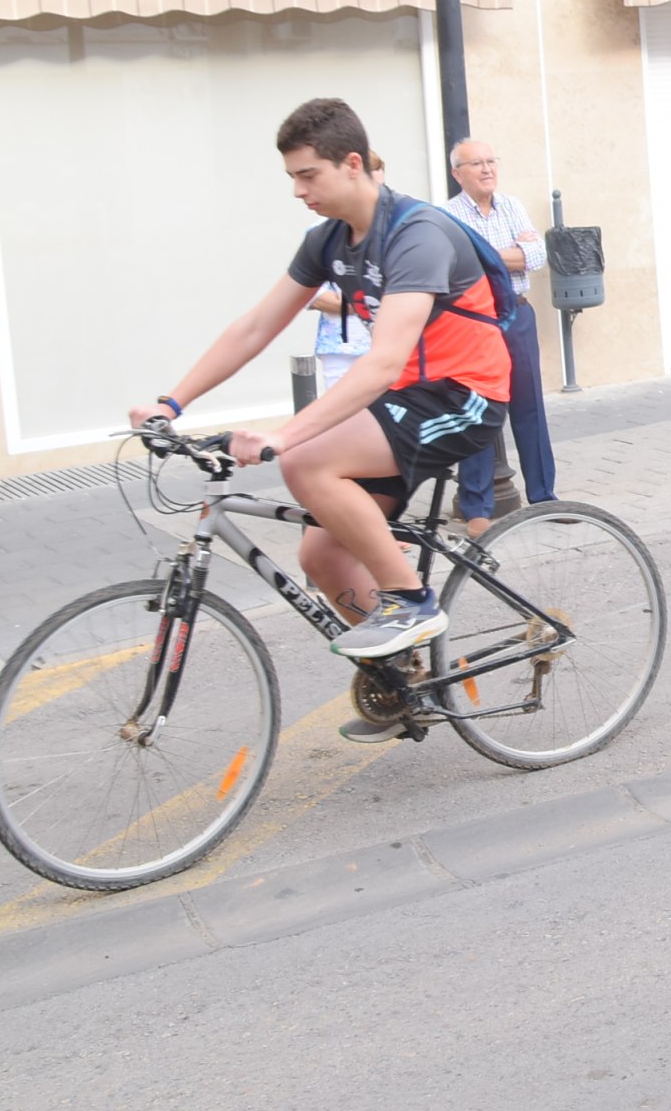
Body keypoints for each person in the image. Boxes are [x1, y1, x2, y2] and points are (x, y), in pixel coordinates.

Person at [128, 99, 510, 742]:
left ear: (352, 163)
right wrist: (173, 403)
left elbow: (384, 361)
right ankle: (404, 681)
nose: (299, 191)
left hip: (462, 396)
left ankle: (410, 599)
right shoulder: (330, 242)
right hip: (403, 402)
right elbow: (255, 327)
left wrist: (285, 436)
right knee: (322, 554)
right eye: (293, 179)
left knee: (307, 461)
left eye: (307, 176)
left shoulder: (416, 234)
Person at [445, 138, 554, 537]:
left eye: (491, 161)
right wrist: (510, 253)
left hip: (518, 312)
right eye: (477, 164)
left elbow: (538, 255)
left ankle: (543, 494)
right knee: (478, 408)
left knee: (530, 405)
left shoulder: (512, 205)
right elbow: (465, 263)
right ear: (458, 174)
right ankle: (476, 506)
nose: (487, 169)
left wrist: (492, 253)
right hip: (478, 321)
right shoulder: (449, 214)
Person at [308, 155, 386, 391]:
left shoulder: (394, 232)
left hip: (384, 348)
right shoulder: (321, 235)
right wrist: (369, 301)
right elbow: (316, 297)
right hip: (341, 347)